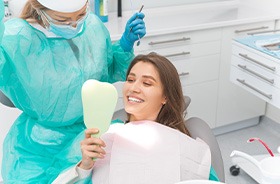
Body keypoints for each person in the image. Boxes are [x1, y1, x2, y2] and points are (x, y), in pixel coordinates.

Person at [0, 0, 146, 182]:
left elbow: (106, 71)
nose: (74, 24)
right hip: (37, 149)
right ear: (41, 10)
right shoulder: (16, 38)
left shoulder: (92, 27)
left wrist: (125, 44)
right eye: (63, 19)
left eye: (80, 15)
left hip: (88, 137)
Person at [53, 53, 220, 183]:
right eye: (130, 80)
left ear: (165, 97)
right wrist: (85, 167)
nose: (133, 88)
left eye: (147, 83)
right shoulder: (103, 136)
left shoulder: (184, 146)